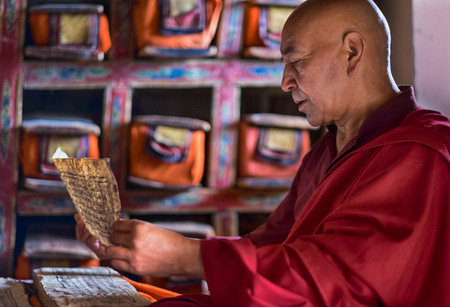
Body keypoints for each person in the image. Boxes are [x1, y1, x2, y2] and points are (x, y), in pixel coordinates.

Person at [76, 0, 450, 305]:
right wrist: (142, 244)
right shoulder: (326, 152)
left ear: (351, 52)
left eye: (296, 61)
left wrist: (185, 256)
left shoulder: (420, 153)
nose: (285, 82)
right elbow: (267, 248)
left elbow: (336, 284)